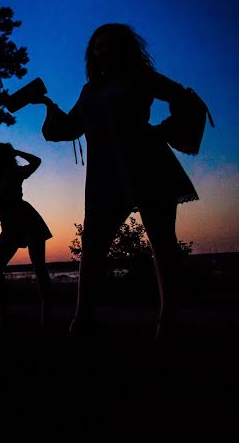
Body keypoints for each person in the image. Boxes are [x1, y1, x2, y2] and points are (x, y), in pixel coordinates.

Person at [37, 23, 199, 340]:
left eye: (111, 44)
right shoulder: (90, 90)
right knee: (93, 247)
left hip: (149, 166)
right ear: (93, 51)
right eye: (99, 45)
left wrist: (161, 131)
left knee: (163, 245)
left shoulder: (141, 77)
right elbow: (68, 129)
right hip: (104, 175)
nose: (104, 49)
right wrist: (46, 106)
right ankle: (83, 319)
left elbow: (185, 99)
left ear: (125, 47)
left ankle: (168, 322)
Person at [0, 143, 53, 327]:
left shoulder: (15, 172)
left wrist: (18, 152)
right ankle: (3, 314)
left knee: (39, 268)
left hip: (28, 221)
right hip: (9, 228)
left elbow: (37, 161)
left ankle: (47, 315)